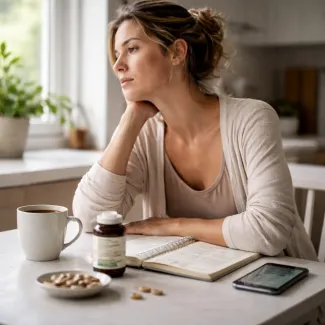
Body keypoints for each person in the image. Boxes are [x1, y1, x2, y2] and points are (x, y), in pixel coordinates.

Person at [73, 0, 317, 261]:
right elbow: (89, 218)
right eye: (117, 54)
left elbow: (269, 231)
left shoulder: (252, 119)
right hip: (198, 285)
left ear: (177, 52)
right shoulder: (145, 134)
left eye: (131, 49)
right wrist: (130, 119)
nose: (118, 65)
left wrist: (170, 225)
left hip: (282, 288)